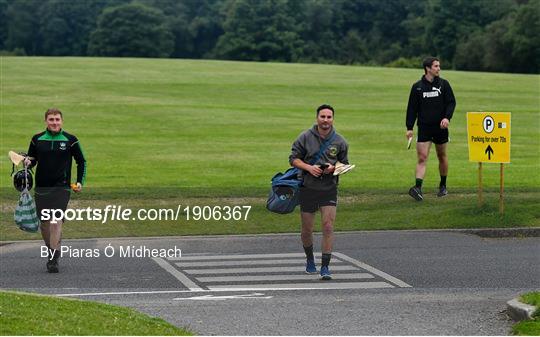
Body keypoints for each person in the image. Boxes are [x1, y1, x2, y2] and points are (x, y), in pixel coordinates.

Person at [289, 104, 349, 280]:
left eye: (329, 117)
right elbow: (293, 159)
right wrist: (309, 168)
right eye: (322, 117)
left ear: (333, 119)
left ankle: (325, 267)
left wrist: (333, 168)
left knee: (328, 226)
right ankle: (309, 260)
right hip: (308, 188)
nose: (325, 120)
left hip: (329, 189)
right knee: (307, 229)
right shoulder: (305, 137)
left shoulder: (340, 141)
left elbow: (344, 165)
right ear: (317, 118)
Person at [25, 108, 86, 273]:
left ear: (62, 121)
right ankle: (53, 247)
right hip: (42, 188)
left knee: (55, 220)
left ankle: (53, 259)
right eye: (51, 119)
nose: (54, 122)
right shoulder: (37, 139)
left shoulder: (70, 140)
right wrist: (26, 162)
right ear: (46, 121)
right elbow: (33, 159)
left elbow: (81, 161)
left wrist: (79, 181)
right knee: (44, 223)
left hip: (62, 188)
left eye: (57, 119)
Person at [406, 57, 456, 201]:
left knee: (442, 156)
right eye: (436, 66)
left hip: (440, 128)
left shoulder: (444, 84)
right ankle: (418, 188)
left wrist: (447, 118)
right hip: (424, 128)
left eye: (439, 66)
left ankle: (443, 185)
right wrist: (409, 127)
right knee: (422, 157)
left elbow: (451, 102)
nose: (438, 68)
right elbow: (412, 108)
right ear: (428, 68)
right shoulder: (417, 87)